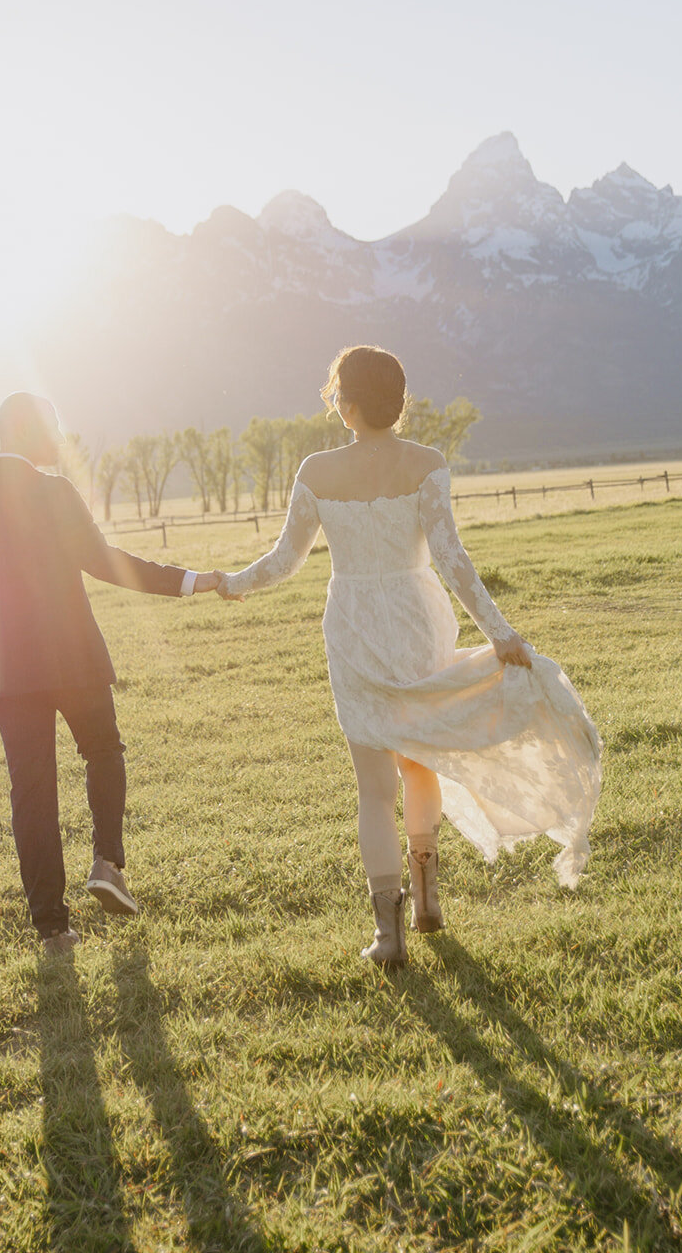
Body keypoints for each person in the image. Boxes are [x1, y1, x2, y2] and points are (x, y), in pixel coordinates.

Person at [215, 346, 602, 968]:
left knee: (373, 787)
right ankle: (425, 901)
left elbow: (285, 562)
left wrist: (230, 581)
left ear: (347, 403)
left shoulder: (316, 469)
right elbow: (452, 560)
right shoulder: (426, 463)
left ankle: (387, 933)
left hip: (354, 625)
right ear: (396, 400)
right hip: (418, 615)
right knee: (419, 762)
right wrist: (500, 633)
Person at [0, 392, 219, 953]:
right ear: (26, 431)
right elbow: (103, 562)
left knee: (31, 791)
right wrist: (190, 580)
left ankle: (52, 929)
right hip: (73, 657)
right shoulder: (54, 491)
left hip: (8, 675)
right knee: (103, 750)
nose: (60, 436)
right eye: (52, 426)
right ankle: (107, 863)